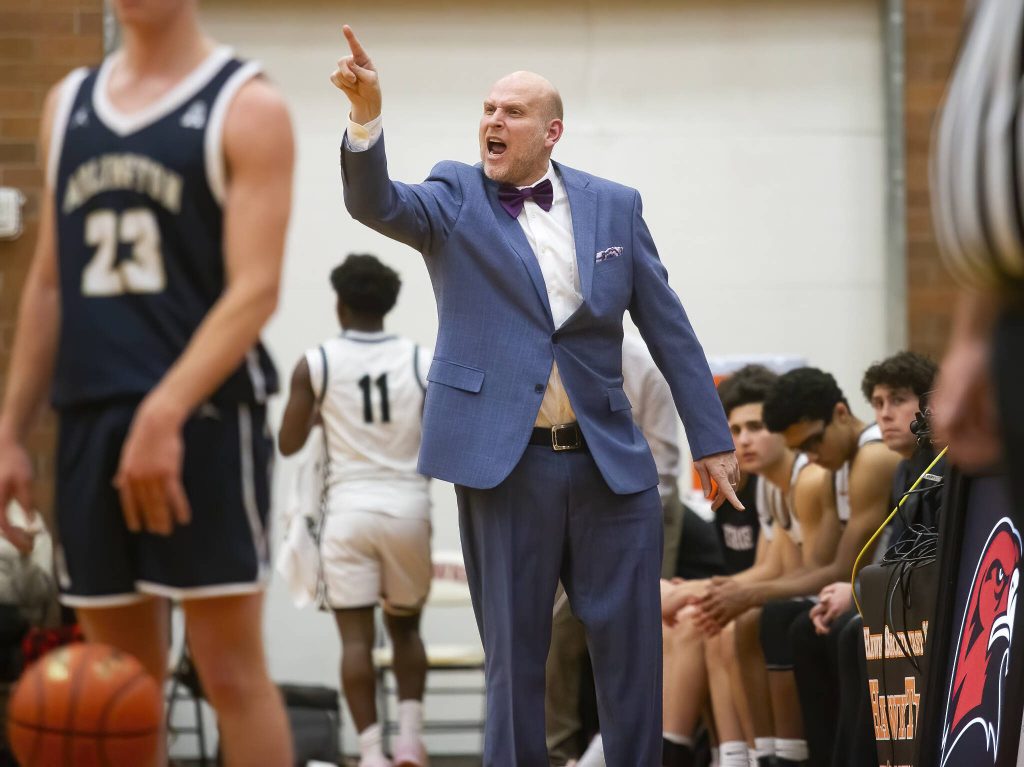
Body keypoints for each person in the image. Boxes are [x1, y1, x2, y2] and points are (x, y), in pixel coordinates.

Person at [332, 26, 740, 764]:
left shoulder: (614, 206)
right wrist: (366, 118)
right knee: (517, 659)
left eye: (513, 111)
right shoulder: (455, 192)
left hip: (611, 464)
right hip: (506, 461)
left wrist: (712, 438)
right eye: (488, 108)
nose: (493, 120)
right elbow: (377, 203)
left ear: (552, 131)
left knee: (631, 658)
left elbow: (668, 328)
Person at [0, 1, 295, 765]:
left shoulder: (247, 103)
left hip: (201, 420)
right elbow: (48, 287)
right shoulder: (68, 104)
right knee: (116, 683)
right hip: (90, 421)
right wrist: (8, 431)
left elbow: (256, 289)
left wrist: (165, 410)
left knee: (229, 671)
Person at [697, 367, 901, 766]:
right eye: (803, 448)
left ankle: (787, 755)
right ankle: (757, 754)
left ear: (841, 414)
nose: (812, 455)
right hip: (857, 588)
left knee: (778, 619)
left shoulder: (868, 457)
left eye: (813, 442)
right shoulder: (828, 466)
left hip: (883, 591)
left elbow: (839, 567)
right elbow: (813, 566)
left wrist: (749, 593)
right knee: (770, 621)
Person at [278, 254, 433, 767]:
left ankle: (371, 754)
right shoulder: (419, 359)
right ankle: (410, 741)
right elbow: (440, 437)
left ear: (339, 304)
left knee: (354, 640)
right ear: (388, 306)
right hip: (408, 506)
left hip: (348, 511)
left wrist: (323, 409)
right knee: (407, 628)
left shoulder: (317, 362)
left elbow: (288, 442)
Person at [662, 365, 832, 767]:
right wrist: (711, 592)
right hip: (794, 593)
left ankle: (766, 753)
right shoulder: (770, 486)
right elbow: (771, 568)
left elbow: (803, 574)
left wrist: (700, 591)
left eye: (756, 426)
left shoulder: (804, 479)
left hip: (825, 597)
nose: (744, 440)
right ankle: (732, 754)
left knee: (729, 621)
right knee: (709, 619)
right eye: (736, 431)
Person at [790, 352, 938, 767]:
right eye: (877, 403)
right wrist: (855, 590)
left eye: (898, 401)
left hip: (932, 597)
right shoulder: (903, 471)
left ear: (930, 405)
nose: (885, 414)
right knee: (812, 629)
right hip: (903, 591)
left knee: (855, 634)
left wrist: (855, 591)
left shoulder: (943, 466)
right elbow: (893, 550)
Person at [545, 332, 683, 765]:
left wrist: (637, 538)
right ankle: (557, 752)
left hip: (635, 507)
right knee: (553, 635)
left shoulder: (644, 364)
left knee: (638, 636)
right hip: (559, 504)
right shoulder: (546, 349)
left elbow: (665, 468)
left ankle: (622, 749)